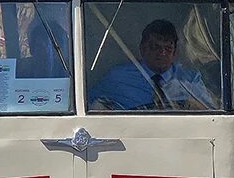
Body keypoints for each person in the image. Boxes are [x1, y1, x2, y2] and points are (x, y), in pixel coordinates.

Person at [87, 19, 215, 110]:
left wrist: (188, 105)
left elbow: (211, 113)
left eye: (168, 48)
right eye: (155, 47)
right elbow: (90, 104)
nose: (162, 53)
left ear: (175, 52)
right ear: (142, 49)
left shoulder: (190, 79)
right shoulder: (118, 76)